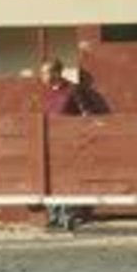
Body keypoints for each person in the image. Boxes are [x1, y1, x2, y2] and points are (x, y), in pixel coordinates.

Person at [40, 58, 93, 231]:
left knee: (68, 180)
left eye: (45, 72)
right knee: (51, 180)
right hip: (50, 143)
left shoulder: (73, 90)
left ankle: (68, 216)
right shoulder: (47, 93)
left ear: (56, 72)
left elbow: (86, 115)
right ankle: (55, 216)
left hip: (70, 142)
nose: (42, 76)